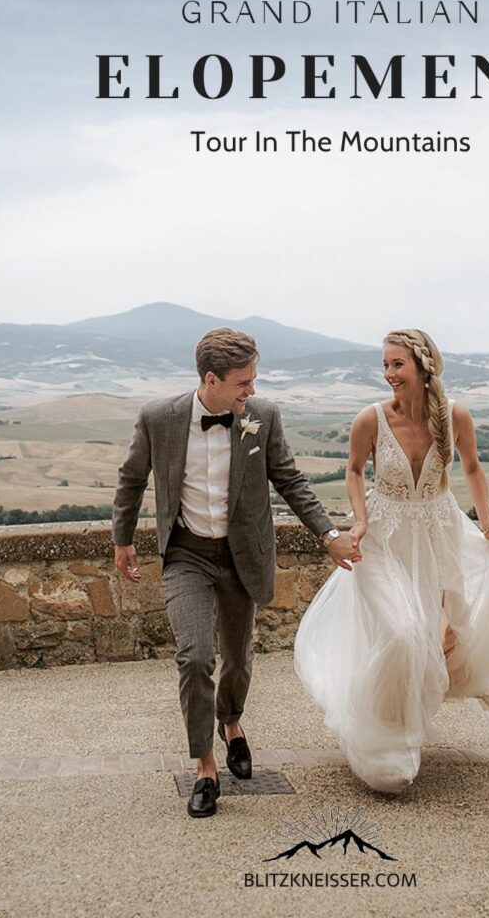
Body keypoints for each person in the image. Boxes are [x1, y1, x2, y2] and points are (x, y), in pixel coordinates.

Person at [112, 328, 359, 818]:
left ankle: (232, 723)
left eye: (253, 380)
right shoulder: (159, 418)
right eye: (244, 382)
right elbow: (132, 478)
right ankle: (205, 767)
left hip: (242, 554)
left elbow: (290, 479)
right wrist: (122, 540)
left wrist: (329, 536)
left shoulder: (262, 418)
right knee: (195, 656)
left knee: (239, 659)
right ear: (211, 379)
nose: (252, 390)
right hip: (187, 555)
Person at [294, 328, 489, 794]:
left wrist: (488, 526)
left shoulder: (455, 415)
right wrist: (358, 521)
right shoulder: (371, 419)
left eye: (397, 364)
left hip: (439, 533)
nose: (388, 374)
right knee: (401, 635)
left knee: (435, 637)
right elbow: (355, 471)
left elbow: (473, 468)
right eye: (385, 365)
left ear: (423, 366)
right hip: (383, 538)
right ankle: (386, 743)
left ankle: (406, 727)